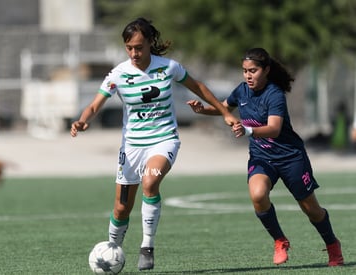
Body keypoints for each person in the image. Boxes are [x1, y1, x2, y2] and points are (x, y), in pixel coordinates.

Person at [70, 17, 238, 271]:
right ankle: (113, 249)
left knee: (150, 182)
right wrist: (83, 121)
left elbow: (199, 87)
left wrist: (224, 112)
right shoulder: (118, 74)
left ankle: (147, 246)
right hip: (132, 147)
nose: (134, 53)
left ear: (149, 43)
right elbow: (95, 105)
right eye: (129, 48)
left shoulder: (168, 67)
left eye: (139, 47)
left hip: (164, 140)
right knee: (121, 207)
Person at [187, 47, 344, 266]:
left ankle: (332, 244)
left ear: (266, 70)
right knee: (258, 195)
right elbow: (224, 108)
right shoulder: (241, 91)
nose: (248, 76)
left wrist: (248, 130)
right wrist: (202, 110)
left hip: (291, 158)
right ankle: (280, 240)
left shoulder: (275, 94)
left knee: (312, 210)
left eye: (253, 71)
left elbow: (274, 129)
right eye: (245, 71)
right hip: (262, 157)